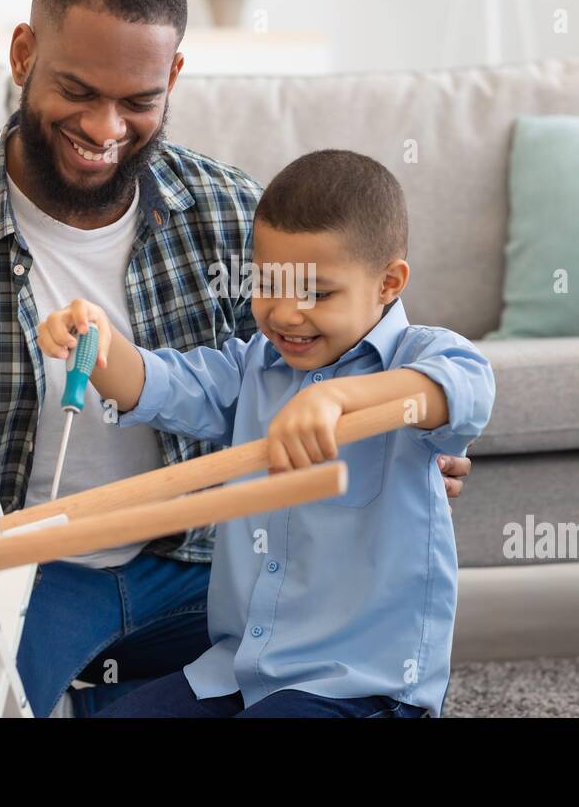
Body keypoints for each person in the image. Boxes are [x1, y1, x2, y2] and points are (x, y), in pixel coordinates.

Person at [0, 0, 474, 718]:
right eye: (79, 91)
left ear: (174, 75)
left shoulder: (237, 213)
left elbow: (351, 364)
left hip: (207, 571)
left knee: (296, 675)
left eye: (138, 101)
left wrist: (392, 428)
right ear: (23, 54)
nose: (104, 130)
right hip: (41, 575)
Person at [39, 150, 496, 717]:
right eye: (269, 285)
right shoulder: (255, 366)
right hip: (239, 668)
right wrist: (98, 338)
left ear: (388, 283)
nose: (285, 314)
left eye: (317, 294)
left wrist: (337, 397)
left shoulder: (421, 356)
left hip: (360, 684)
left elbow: (466, 388)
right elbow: (154, 384)